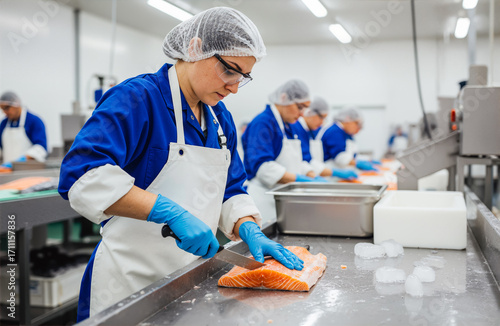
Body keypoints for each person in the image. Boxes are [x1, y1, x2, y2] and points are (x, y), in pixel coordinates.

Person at [58, 8, 303, 321]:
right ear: (195, 48)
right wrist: (167, 211)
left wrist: (249, 227)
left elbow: (230, 186)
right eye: (229, 71)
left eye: (243, 77)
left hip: (190, 281)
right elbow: (83, 176)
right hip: (126, 285)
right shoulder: (137, 99)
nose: (233, 87)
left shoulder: (218, 119)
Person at [242, 79, 322, 225]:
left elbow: (294, 162)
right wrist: (299, 180)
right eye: (300, 107)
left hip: (282, 198)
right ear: (284, 99)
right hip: (264, 199)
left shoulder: (288, 125)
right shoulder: (263, 123)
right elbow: (264, 168)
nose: (302, 114)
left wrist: (311, 175)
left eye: (305, 109)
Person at [293, 97, 357, 180]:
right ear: (310, 112)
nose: (322, 122)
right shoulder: (297, 128)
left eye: (324, 118)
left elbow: (310, 160)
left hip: (315, 173)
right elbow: (304, 160)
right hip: (303, 177)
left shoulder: (310, 131)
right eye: (321, 117)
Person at [319, 106, 378, 171]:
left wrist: (368, 160)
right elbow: (340, 157)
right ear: (348, 119)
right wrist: (358, 163)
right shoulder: (335, 131)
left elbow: (353, 155)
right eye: (357, 124)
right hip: (331, 172)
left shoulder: (346, 133)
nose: (358, 129)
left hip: (341, 172)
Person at [0, 91, 47, 167]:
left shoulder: (34, 121)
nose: (5, 112)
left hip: (27, 170)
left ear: (16, 104)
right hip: (7, 171)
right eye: (2, 109)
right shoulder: (4, 124)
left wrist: (21, 160)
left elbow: (40, 148)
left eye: (7, 108)